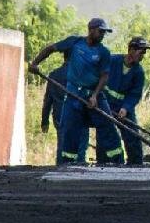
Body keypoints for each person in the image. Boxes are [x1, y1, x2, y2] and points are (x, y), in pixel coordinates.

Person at [29, 17, 123, 165]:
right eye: (101, 31)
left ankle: (118, 162)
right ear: (91, 29)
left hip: (94, 95)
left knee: (107, 126)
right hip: (73, 96)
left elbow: (104, 76)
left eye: (105, 33)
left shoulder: (103, 52)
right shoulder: (74, 42)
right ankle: (66, 164)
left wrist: (95, 96)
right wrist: (35, 63)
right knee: (69, 130)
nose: (103, 35)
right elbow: (50, 49)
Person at [99, 36, 150, 165]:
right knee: (105, 135)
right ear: (131, 50)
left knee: (133, 136)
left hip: (124, 109)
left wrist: (125, 108)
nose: (142, 56)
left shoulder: (138, 72)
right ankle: (103, 163)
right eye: (141, 52)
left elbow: (135, 94)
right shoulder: (112, 61)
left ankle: (136, 165)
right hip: (106, 105)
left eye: (144, 53)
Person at [40, 50, 90, 164]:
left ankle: (60, 171)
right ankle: (79, 172)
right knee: (80, 149)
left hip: (60, 117)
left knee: (62, 146)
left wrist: (45, 121)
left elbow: (48, 100)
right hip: (79, 117)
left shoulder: (54, 74)